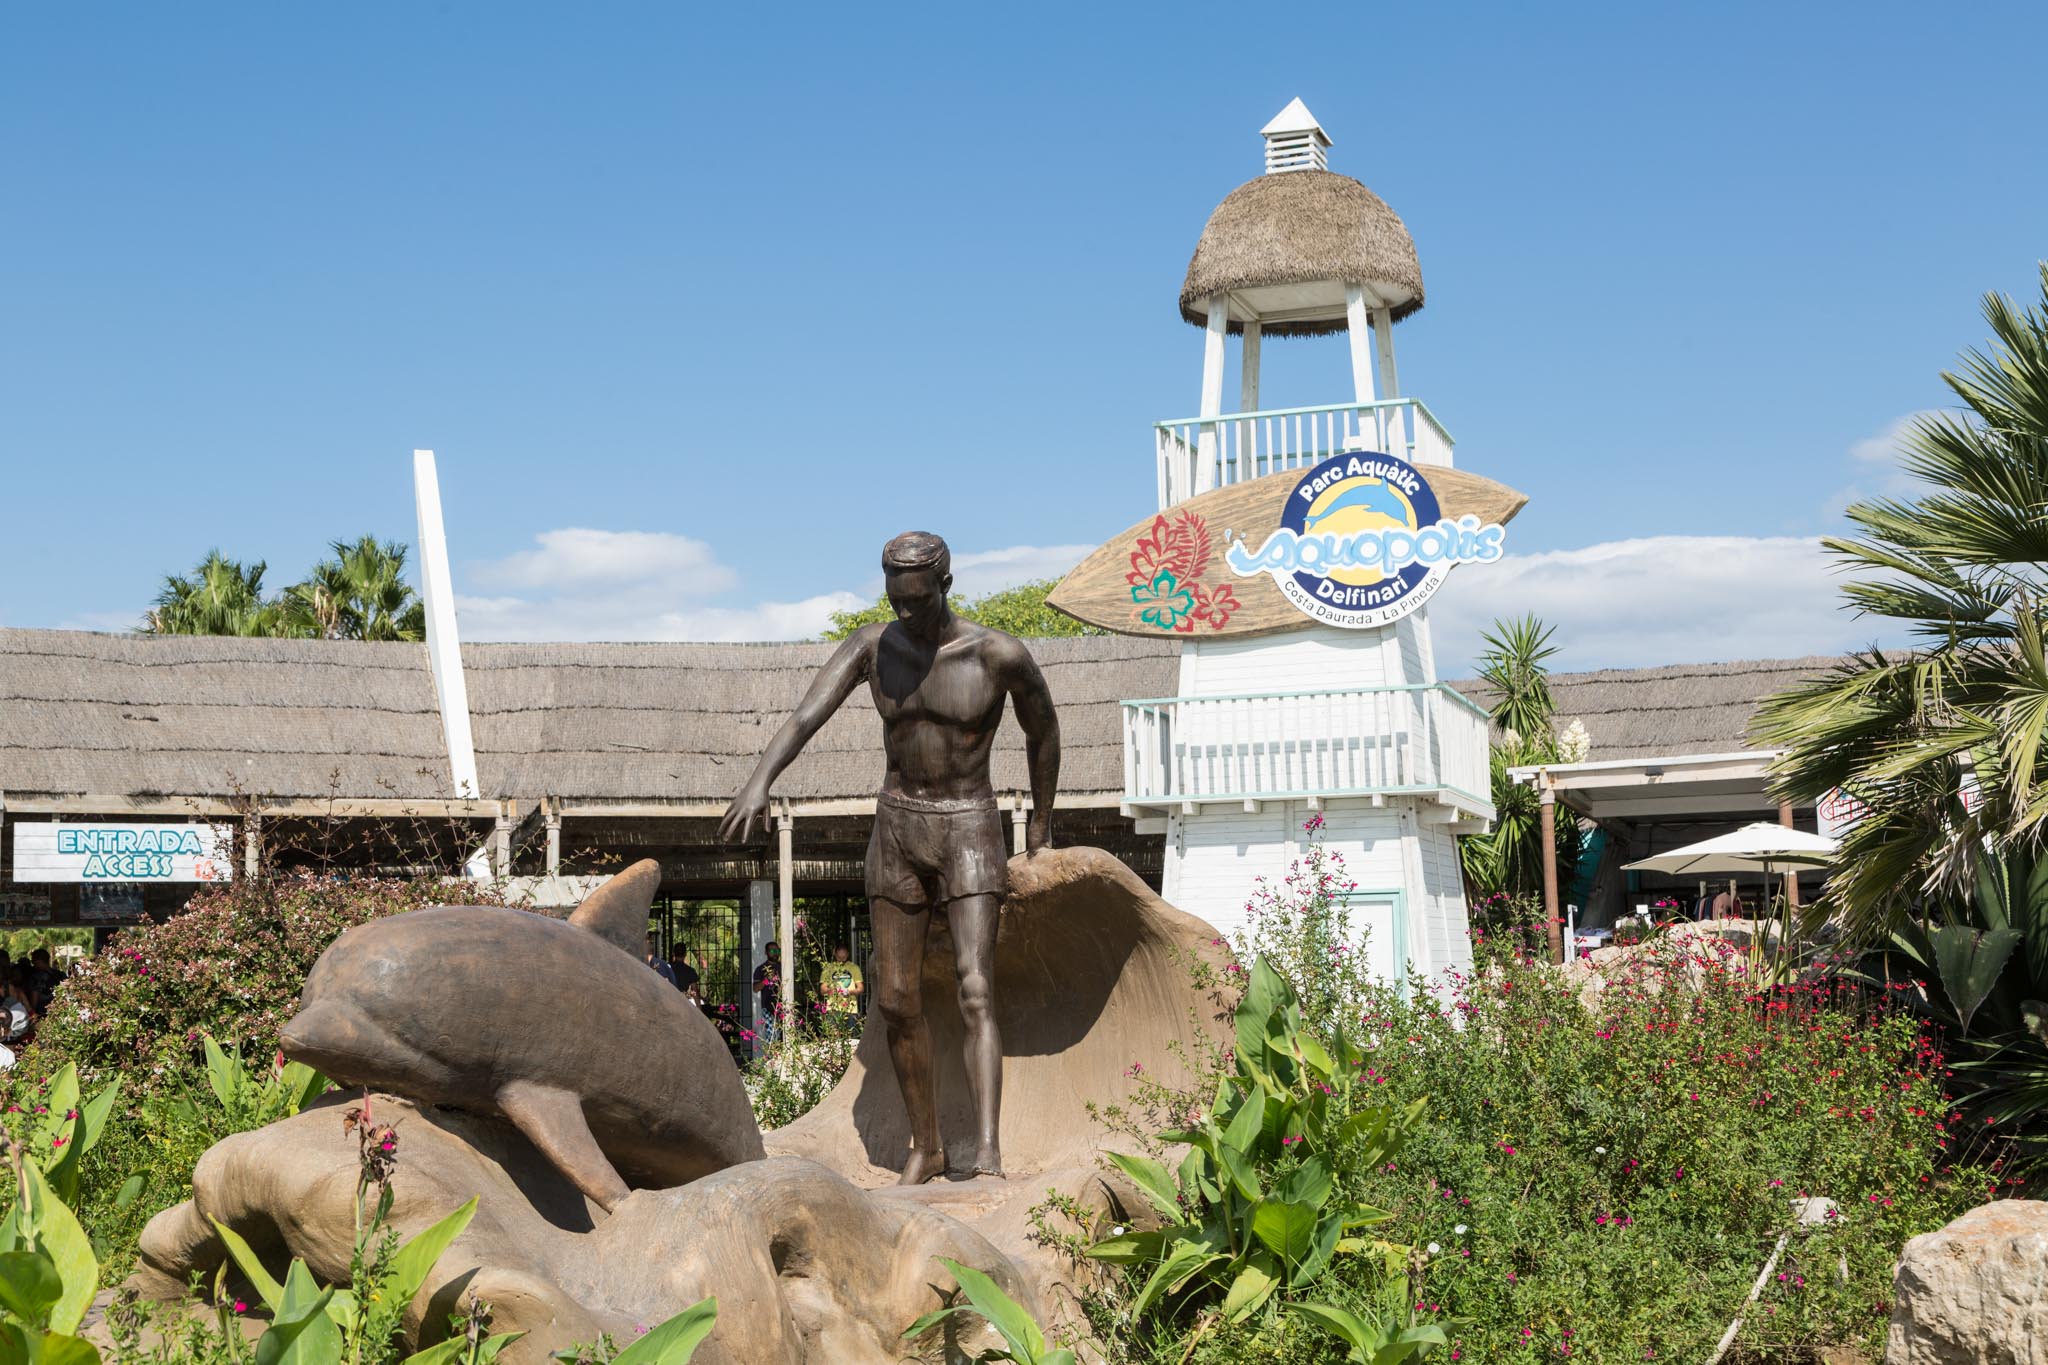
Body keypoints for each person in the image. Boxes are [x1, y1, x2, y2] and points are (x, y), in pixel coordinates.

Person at [720, 531, 1060, 1183]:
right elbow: (802, 718)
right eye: (895, 600)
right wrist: (762, 779)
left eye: (918, 601)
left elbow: (1043, 730)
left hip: (968, 823)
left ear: (945, 587)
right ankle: (926, 1144)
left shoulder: (996, 654)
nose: (906, 614)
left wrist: (1040, 823)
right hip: (898, 824)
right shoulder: (874, 647)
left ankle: (986, 1147)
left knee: (974, 984)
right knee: (897, 997)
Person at [820, 944, 865, 1035]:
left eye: (844, 957)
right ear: (835, 955)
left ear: (847, 955)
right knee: (833, 1037)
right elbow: (822, 990)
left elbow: (861, 988)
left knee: (849, 1038)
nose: (841, 960)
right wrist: (832, 990)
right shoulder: (828, 968)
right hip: (833, 1008)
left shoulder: (854, 968)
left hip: (850, 1008)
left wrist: (850, 992)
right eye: (839, 957)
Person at [751, 943, 782, 1045]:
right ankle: (773, 1059)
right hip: (768, 1008)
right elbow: (755, 988)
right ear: (766, 952)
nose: (775, 953)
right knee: (772, 1039)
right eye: (772, 951)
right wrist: (766, 980)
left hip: (784, 1007)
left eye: (777, 951)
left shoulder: (784, 967)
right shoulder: (761, 969)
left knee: (784, 1037)